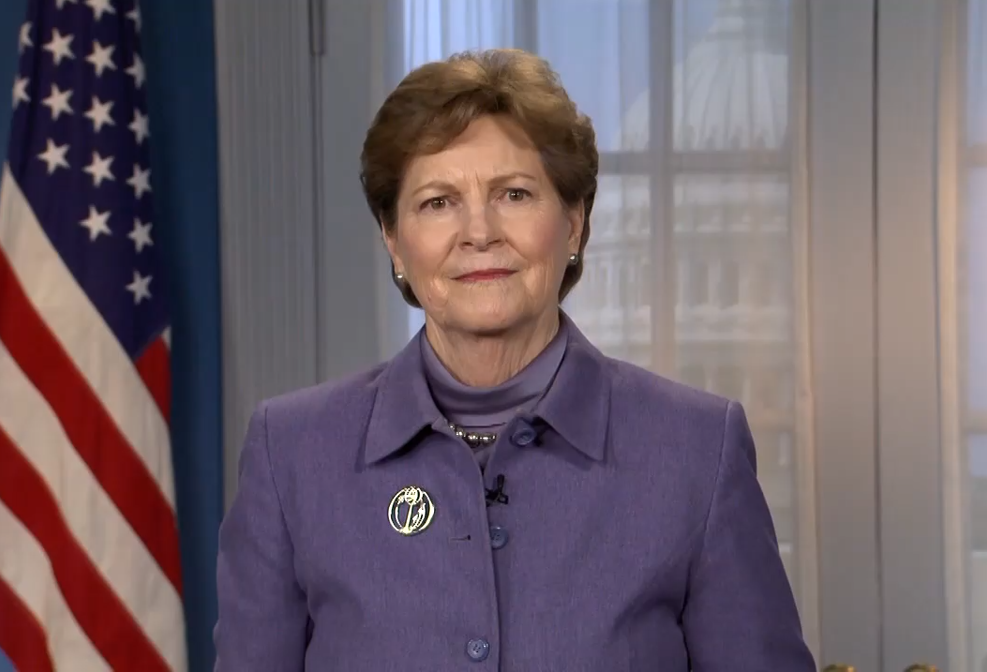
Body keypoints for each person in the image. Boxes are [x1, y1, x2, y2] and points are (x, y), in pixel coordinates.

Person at [214, 48, 817, 671]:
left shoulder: (696, 450)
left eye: (515, 193)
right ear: (394, 241)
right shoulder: (291, 454)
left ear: (575, 223)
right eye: (437, 202)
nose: (479, 232)